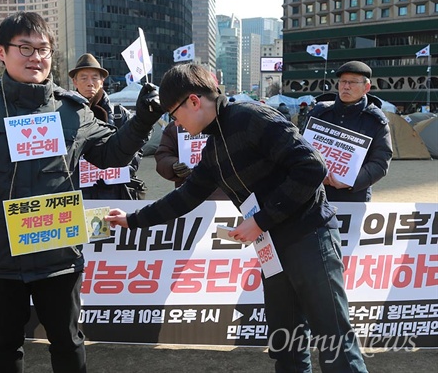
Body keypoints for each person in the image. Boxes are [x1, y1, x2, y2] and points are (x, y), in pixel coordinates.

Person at [0, 11, 163, 373]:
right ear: (2, 52)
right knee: (3, 346)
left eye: (43, 49)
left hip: (58, 253)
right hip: (0, 256)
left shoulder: (72, 111)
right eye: (25, 48)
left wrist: (143, 119)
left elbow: (111, 154)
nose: (36, 57)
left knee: (68, 341)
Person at [106, 64, 368, 373]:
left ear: (193, 101)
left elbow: (312, 168)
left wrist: (260, 221)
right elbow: (185, 197)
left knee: (333, 338)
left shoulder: (252, 117)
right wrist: (132, 220)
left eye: (174, 115)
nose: (174, 124)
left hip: (309, 236)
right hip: (272, 247)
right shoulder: (213, 147)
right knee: (286, 341)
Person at [307, 60, 393, 202]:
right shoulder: (320, 113)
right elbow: (301, 149)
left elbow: (380, 163)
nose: (346, 86)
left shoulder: (376, 120)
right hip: (314, 193)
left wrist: (352, 181)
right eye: (343, 82)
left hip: (354, 197)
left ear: (366, 87)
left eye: (352, 82)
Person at [69, 53, 146, 200]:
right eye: (84, 78)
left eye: (94, 77)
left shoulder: (120, 113)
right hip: (78, 193)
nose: (90, 83)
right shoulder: (65, 115)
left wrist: (123, 170)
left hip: (115, 191)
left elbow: (136, 148)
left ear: (102, 80)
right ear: (75, 82)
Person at [155, 123, 228, 200]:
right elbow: (163, 155)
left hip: (228, 196)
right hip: (189, 195)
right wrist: (174, 165)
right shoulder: (175, 126)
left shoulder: (227, 122)